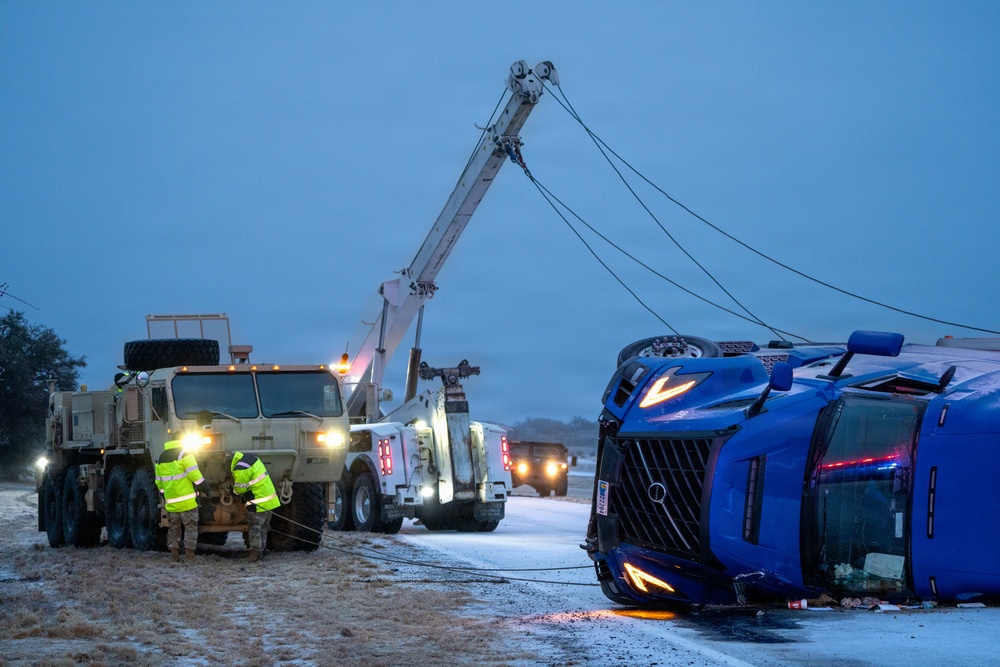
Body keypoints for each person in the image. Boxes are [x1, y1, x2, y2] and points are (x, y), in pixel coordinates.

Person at [154, 437, 211, 563]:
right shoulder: (185, 454)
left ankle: (174, 555)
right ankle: (190, 555)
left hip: (172, 503)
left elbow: (159, 483)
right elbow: (195, 476)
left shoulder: (161, 457)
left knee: (174, 528)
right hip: (187, 502)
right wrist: (206, 489)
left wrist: (165, 496)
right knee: (190, 527)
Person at [227, 451, 281, 562]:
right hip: (270, 501)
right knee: (263, 528)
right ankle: (262, 551)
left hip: (258, 503)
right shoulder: (252, 459)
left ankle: (255, 554)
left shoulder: (240, 468)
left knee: (254, 529)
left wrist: (232, 492)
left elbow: (240, 489)